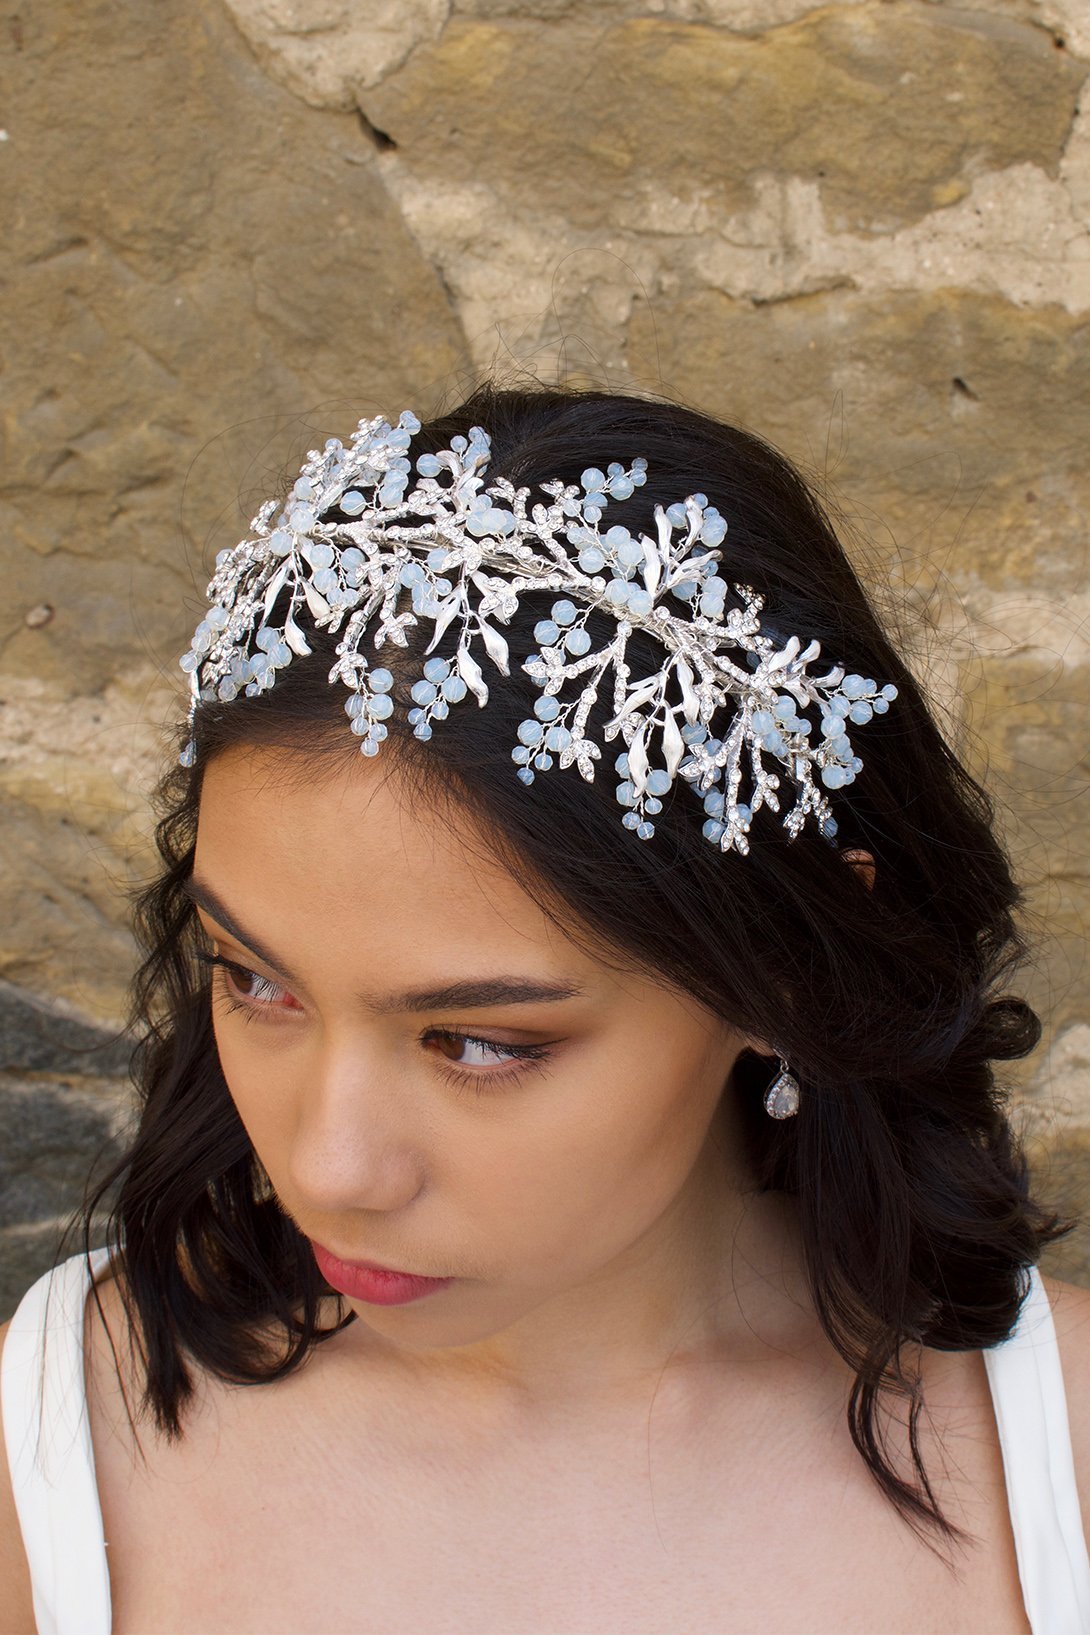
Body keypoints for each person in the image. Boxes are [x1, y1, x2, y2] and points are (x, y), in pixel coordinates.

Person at [2, 383, 1089, 1635]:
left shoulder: (1046, 1456)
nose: (331, 1167)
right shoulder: (59, 1454)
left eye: (478, 1042)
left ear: (787, 968)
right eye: (255, 980)